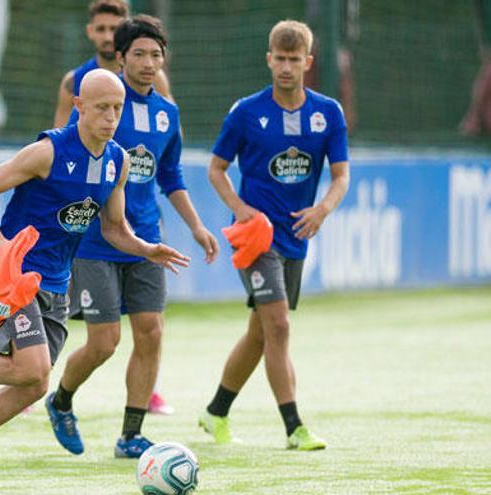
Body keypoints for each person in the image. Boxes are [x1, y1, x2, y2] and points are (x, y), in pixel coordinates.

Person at [0, 68, 190, 485]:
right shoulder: (48, 151)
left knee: (34, 384)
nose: (111, 117)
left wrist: (146, 248)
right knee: (33, 367)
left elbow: (114, 229)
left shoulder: (118, 160)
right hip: (17, 273)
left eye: (117, 108)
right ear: (78, 107)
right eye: (101, 108)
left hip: (57, 283)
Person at [45, 15, 219, 459]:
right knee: (104, 342)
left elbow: (171, 174)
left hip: (146, 239)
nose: (147, 62)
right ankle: (61, 399)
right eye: (138, 54)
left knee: (152, 331)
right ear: (120, 58)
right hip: (96, 242)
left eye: (155, 55)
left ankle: (131, 436)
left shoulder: (167, 113)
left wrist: (197, 226)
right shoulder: (102, 105)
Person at [199, 19, 350, 451]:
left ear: (308, 61)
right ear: (269, 59)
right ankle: (294, 427)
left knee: (261, 333)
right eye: (279, 59)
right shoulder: (246, 112)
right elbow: (216, 169)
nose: (286, 67)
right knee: (279, 325)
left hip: (295, 237)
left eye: (294, 59)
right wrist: (242, 211)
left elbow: (341, 176)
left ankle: (215, 412)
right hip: (255, 240)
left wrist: (322, 209)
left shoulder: (327, 114)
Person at [52, 0, 172, 129]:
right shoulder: (73, 81)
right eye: (101, 29)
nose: (108, 37)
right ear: (89, 31)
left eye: (114, 29)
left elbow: (170, 125)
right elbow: (60, 136)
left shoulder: (153, 77)